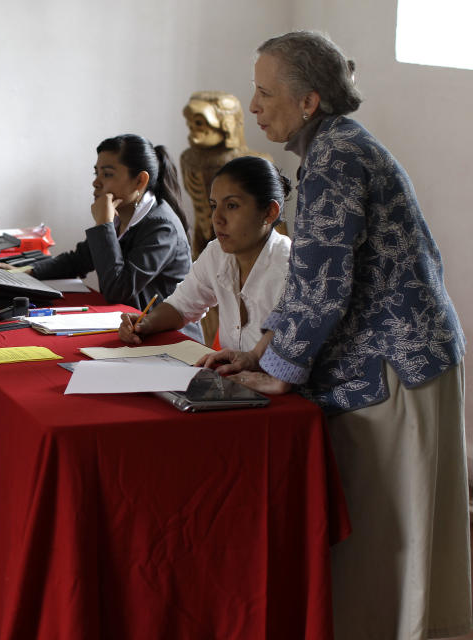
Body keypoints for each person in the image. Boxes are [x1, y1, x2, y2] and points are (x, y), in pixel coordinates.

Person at [200, 31, 471, 640]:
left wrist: (279, 369)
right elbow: (310, 279)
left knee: (390, 534)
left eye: (266, 93)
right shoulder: (331, 148)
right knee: (391, 536)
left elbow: (323, 282)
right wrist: (262, 349)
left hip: (395, 368)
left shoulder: (336, 158)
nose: (252, 106)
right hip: (399, 358)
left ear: (309, 102)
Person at [0, 134, 201, 339]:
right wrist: (22, 273)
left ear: (139, 181)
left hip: (170, 340)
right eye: (96, 172)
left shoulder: (161, 228)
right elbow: (78, 260)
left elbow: (118, 290)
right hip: (131, 331)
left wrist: (103, 224)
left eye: (107, 174)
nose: (96, 182)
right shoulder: (123, 214)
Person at [118, 155, 291, 351]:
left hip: (268, 380)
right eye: (214, 206)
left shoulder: (290, 269)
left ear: (269, 212)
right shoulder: (217, 253)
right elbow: (181, 306)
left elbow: (289, 356)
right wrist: (145, 324)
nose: (217, 218)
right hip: (230, 376)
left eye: (232, 205)